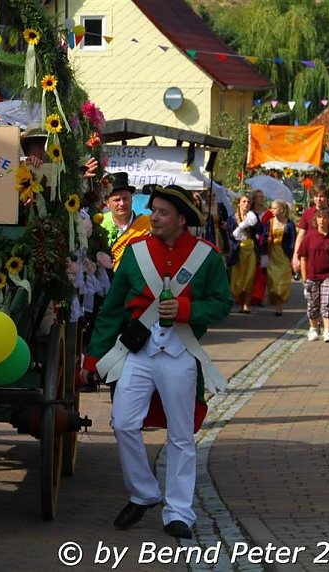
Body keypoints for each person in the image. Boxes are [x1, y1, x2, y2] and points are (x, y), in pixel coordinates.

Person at [80, 184, 231, 539]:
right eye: (154, 211)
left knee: (181, 434)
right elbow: (113, 310)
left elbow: (221, 304)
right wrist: (94, 357)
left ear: (181, 219)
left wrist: (187, 309)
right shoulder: (136, 254)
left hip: (180, 353)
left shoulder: (207, 257)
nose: (155, 218)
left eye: (163, 213)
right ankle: (144, 492)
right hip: (138, 352)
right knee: (123, 422)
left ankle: (179, 512)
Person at [298, 208, 329, 342]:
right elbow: (303, 258)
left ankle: (327, 331)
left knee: (327, 303)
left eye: (324, 218)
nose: (322, 220)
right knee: (313, 305)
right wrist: (304, 278)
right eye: (319, 217)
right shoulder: (309, 238)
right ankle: (313, 329)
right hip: (312, 276)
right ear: (315, 220)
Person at [99, 173, 151, 270]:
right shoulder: (99, 224)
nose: (122, 203)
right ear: (107, 202)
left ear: (132, 199)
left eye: (125, 199)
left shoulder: (147, 224)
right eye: (117, 200)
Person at [292, 185, 329, 272]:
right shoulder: (308, 214)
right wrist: (295, 256)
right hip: (312, 258)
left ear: (327, 197)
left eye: (321, 196)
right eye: (316, 196)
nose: (318, 199)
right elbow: (301, 235)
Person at [261, 200, 296, 316]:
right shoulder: (269, 222)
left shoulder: (290, 224)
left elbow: (293, 241)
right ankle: (274, 299)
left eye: (275, 208)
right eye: (271, 208)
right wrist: (263, 252)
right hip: (272, 254)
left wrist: (294, 257)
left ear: (281, 209)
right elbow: (264, 238)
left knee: (282, 282)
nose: (272, 210)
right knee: (272, 281)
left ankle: (279, 307)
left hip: (284, 256)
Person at [227, 194, 259, 313]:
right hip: (238, 249)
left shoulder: (253, 216)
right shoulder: (232, 218)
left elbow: (258, 231)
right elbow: (231, 235)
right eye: (244, 201)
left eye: (248, 202)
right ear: (239, 203)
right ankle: (240, 302)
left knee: (249, 276)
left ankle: (246, 305)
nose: (246, 204)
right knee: (238, 277)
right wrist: (240, 227)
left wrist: (252, 223)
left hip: (250, 248)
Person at [249, 190, 272, 308]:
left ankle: (259, 296)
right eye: (259, 197)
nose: (261, 199)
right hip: (252, 245)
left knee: (262, 271)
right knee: (252, 271)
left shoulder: (268, 213)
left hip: (265, 246)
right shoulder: (250, 213)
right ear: (254, 199)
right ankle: (251, 296)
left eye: (262, 196)